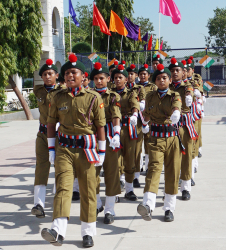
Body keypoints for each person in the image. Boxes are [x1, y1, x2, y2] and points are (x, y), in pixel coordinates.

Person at [41, 54, 106, 248]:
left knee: (88, 191)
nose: (70, 76)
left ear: (82, 76)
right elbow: (51, 124)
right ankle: (58, 230)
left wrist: (102, 152)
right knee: (63, 188)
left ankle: (87, 232)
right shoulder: (57, 96)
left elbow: (100, 126)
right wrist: (52, 148)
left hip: (87, 149)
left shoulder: (93, 98)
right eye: (67, 73)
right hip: (65, 149)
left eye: (74, 72)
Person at [137, 64, 182, 222]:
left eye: (164, 78)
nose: (162, 80)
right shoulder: (150, 96)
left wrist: (176, 113)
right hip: (155, 138)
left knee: (172, 172)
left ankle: (169, 208)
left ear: (170, 80)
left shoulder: (175, 95)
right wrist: (143, 124)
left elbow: (177, 107)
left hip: (172, 139)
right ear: (154, 81)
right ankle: (148, 205)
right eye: (158, 78)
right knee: (154, 169)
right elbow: (146, 114)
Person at [90, 62, 121, 224]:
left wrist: (116, 133)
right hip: (93, 137)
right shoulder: (89, 95)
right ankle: (97, 203)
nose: (99, 81)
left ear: (108, 79)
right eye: (96, 78)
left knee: (111, 173)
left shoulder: (113, 96)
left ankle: (110, 210)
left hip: (109, 137)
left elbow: (116, 115)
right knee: (92, 174)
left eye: (101, 78)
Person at [31, 59, 60, 219]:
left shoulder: (63, 91)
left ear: (56, 75)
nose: (48, 76)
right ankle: (38, 204)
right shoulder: (39, 90)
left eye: (50, 73)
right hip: (42, 135)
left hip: (59, 135)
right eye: (44, 74)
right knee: (41, 168)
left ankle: (58, 203)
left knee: (60, 168)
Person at [111, 64, 140, 201]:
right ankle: (115, 192)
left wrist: (135, 115)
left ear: (125, 80)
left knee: (129, 160)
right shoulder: (110, 94)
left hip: (128, 129)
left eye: (120, 77)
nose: (117, 80)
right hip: (114, 128)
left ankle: (129, 190)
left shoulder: (131, 93)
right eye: (115, 77)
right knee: (115, 162)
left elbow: (135, 106)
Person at [169, 58, 195, 201]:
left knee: (186, 157)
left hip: (184, 124)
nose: (174, 73)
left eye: (177, 70)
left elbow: (189, 91)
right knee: (172, 158)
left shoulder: (187, 86)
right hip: (170, 125)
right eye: (172, 70)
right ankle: (171, 189)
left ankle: (185, 187)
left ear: (183, 72)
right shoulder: (167, 86)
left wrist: (190, 96)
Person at [126, 64, 146, 188]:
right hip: (122, 122)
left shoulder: (139, 88)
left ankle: (136, 176)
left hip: (136, 122)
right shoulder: (119, 88)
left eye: (132, 74)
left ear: (136, 76)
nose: (129, 76)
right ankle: (124, 176)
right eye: (127, 74)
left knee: (137, 150)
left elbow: (142, 102)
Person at [137, 64, 158, 174]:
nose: (142, 76)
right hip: (138, 119)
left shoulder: (153, 87)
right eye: (140, 74)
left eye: (144, 74)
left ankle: (148, 167)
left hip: (149, 118)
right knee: (138, 143)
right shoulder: (135, 87)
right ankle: (139, 166)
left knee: (148, 143)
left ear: (148, 75)